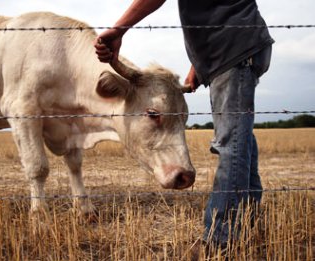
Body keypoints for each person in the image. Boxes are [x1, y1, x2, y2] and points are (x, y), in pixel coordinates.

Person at [94, 0, 273, 253]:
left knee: (231, 144)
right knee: (240, 142)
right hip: (237, 49)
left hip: (234, 51)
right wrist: (199, 64)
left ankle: (218, 241)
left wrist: (119, 30)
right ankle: (248, 223)